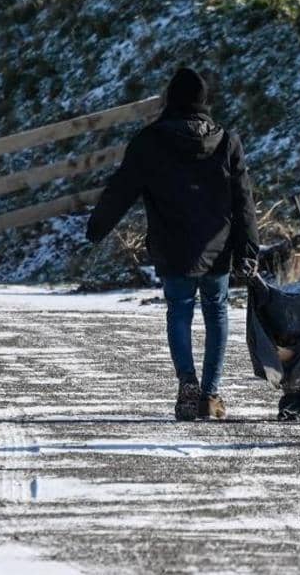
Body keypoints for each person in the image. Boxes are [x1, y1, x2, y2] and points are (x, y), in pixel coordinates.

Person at [87, 67, 259, 422]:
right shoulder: (227, 141)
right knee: (217, 311)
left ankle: (187, 389)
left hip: (172, 244)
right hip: (218, 245)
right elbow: (244, 200)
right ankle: (211, 396)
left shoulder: (149, 141)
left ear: (171, 99)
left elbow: (122, 188)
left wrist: (97, 227)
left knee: (179, 310)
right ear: (203, 101)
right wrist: (249, 249)